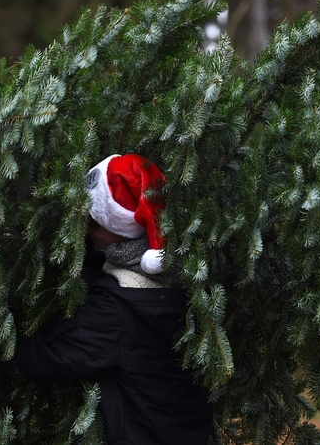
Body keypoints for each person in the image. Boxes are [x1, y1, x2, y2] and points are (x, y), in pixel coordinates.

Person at [15, 154, 213, 444]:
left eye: (95, 223)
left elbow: (40, 357)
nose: (87, 233)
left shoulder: (118, 308)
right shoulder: (185, 279)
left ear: (122, 227)